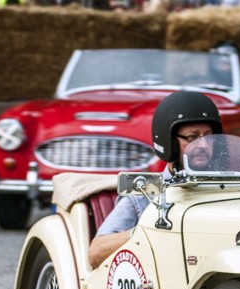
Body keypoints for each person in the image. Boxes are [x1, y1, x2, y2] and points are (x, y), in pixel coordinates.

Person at [88, 91, 223, 268]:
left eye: (208, 136)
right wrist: (147, 230)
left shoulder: (229, 187)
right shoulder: (145, 192)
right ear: (169, 143)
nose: (204, 145)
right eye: (192, 137)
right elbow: (96, 252)